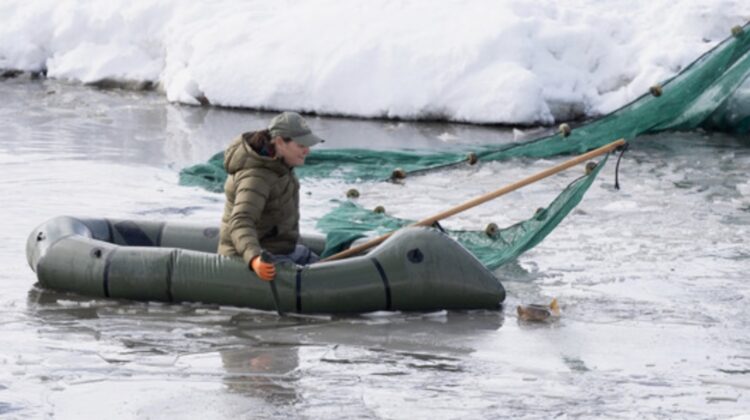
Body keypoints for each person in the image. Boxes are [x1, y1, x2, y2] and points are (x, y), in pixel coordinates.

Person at [217, 111, 324, 281]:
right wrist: (254, 259)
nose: (307, 151)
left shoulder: (281, 166)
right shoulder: (256, 177)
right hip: (255, 255)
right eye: (301, 145)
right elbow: (240, 222)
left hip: (279, 248)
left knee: (318, 265)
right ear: (280, 142)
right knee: (315, 279)